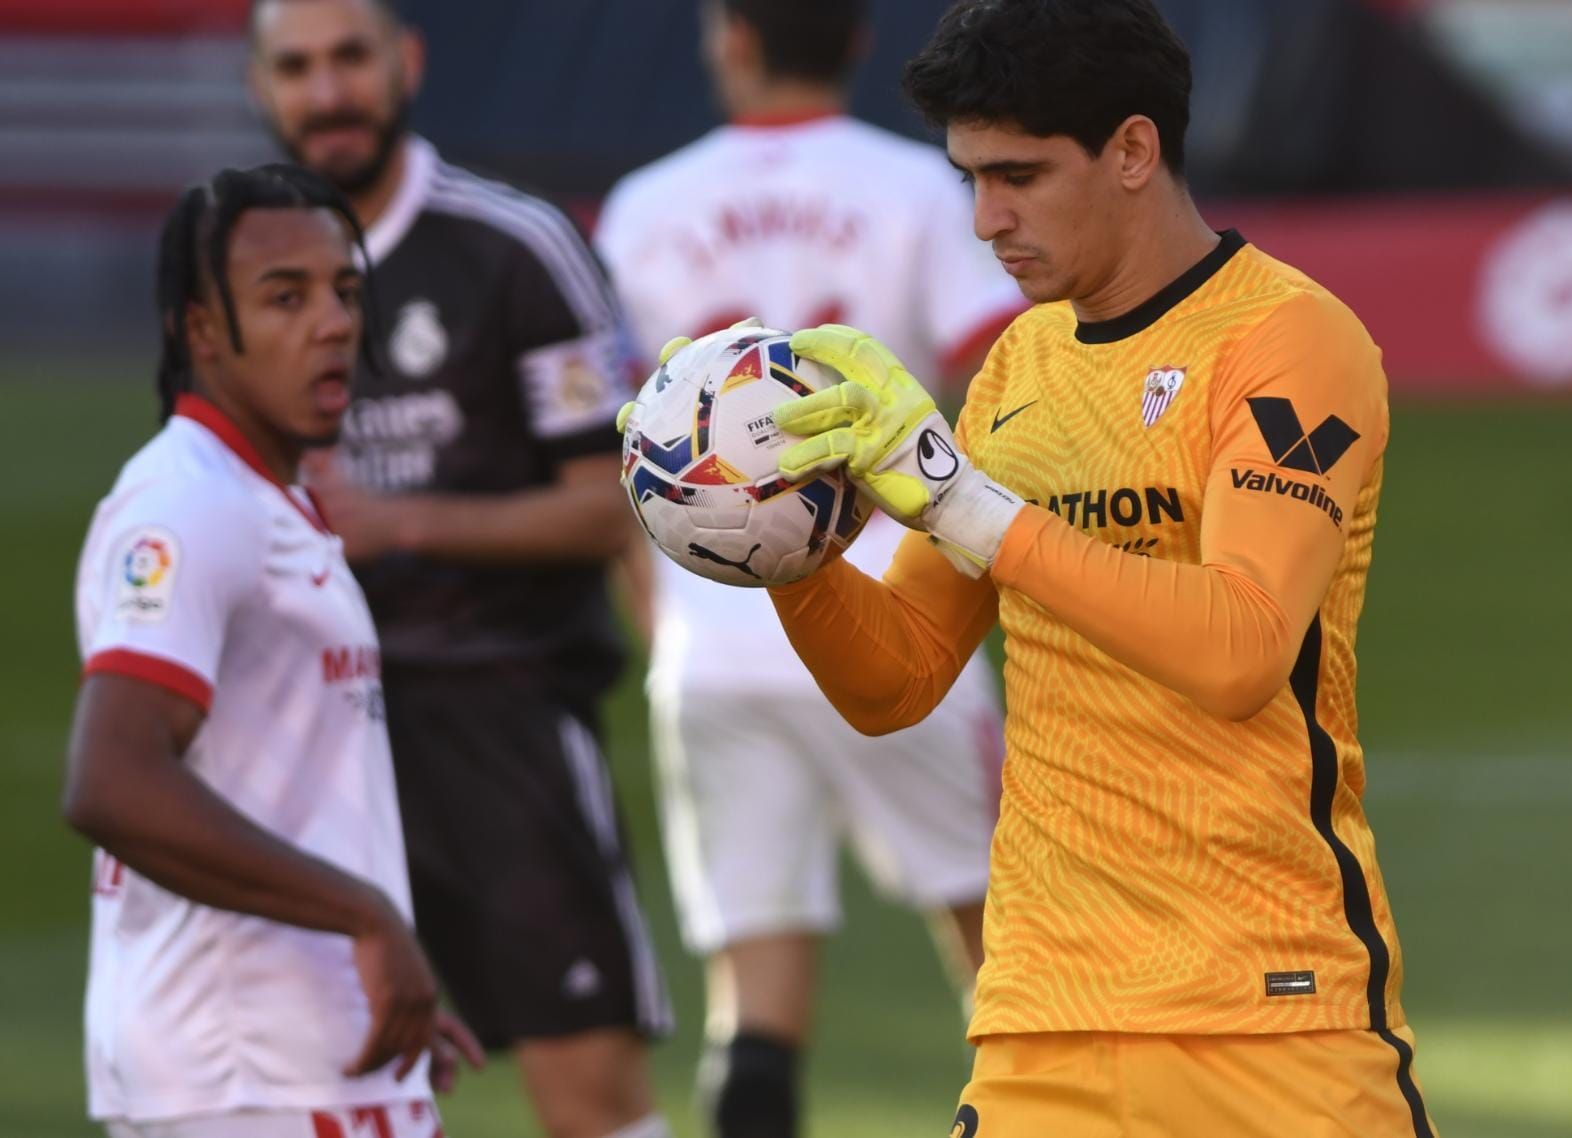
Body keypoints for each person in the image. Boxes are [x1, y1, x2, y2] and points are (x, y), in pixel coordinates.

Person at [749, 1, 1441, 1134]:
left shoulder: (1287, 342)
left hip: (1271, 1017)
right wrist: (777, 547)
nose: (984, 219)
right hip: (1041, 1021)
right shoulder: (1021, 361)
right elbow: (899, 678)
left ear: (1131, 150)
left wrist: (969, 505)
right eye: (968, 177)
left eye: (1016, 175)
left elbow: (1238, 649)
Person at [595, 3, 1023, 1136]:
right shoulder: (921, 189)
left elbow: (621, 450)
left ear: (730, 38)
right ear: (856, 40)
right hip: (899, 621)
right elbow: (999, 397)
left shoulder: (644, 206)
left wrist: (666, 623)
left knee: (753, 1003)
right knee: (1014, 969)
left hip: (716, 635)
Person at [247, 4, 672, 1138]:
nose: (327, 90)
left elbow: (608, 505)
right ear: (261, 84)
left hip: (504, 719)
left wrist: (401, 521)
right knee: (327, 1103)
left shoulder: (513, 245)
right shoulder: (241, 265)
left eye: (350, 57)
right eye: (297, 67)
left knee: (592, 1101)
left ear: (407, 63)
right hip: (314, 745)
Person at [64, 164, 484, 1138]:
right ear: (201, 330)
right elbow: (111, 778)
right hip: (247, 1074)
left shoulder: (262, 497)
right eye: (284, 296)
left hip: (298, 1060)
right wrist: (366, 919)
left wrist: (374, 969)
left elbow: (283, 782)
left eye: (343, 290)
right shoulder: (190, 502)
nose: (333, 322)